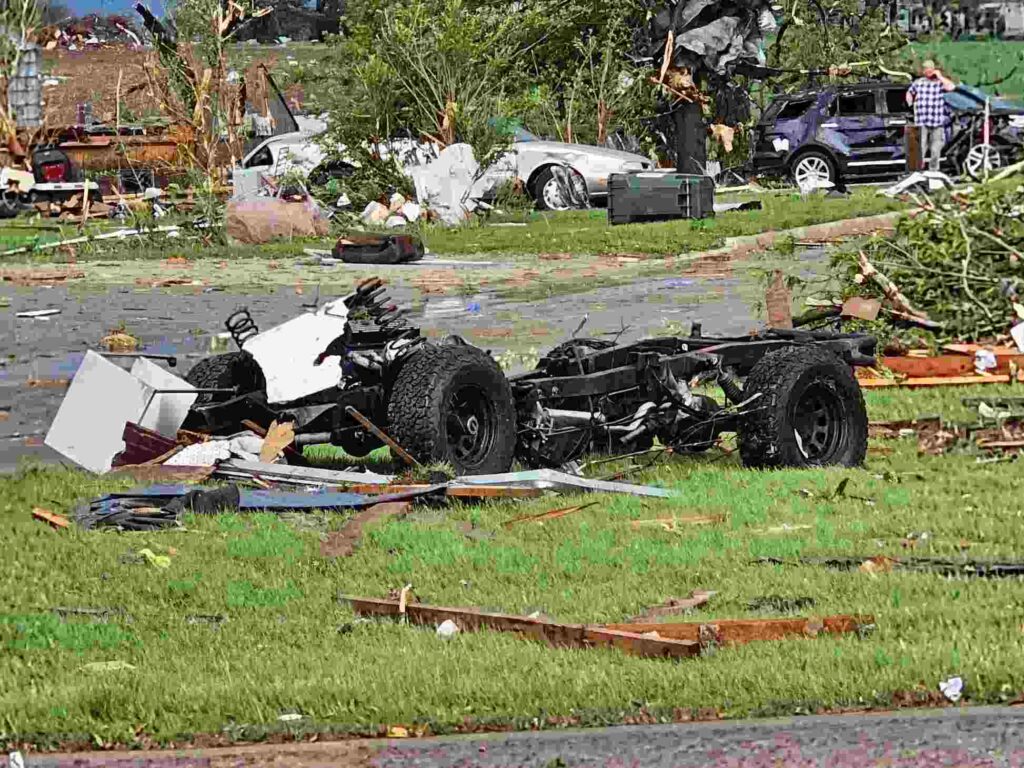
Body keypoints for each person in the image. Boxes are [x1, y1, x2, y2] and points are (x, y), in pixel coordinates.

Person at [906, 60, 956, 173]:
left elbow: (951, 87)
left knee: (935, 149)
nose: (928, 70)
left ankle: (933, 170)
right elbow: (909, 93)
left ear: (934, 69)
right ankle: (917, 171)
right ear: (923, 71)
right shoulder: (918, 82)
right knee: (920, 147)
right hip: (921, 120)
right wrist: (910, 103)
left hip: (937, 121)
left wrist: (940, 76)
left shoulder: (940, 83)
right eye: (926, 68)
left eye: (930, 68)